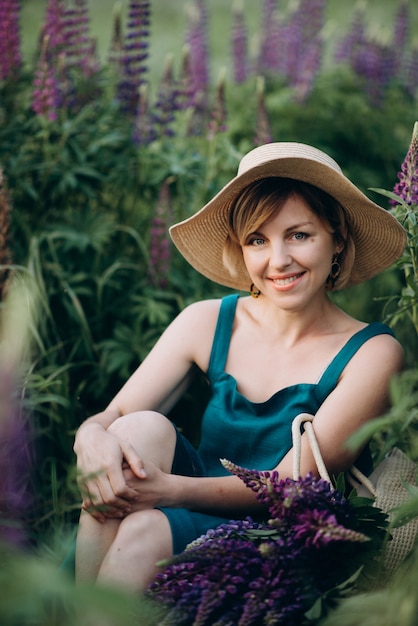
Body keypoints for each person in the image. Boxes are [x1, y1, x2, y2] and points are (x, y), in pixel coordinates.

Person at [73, 142, 406, 593]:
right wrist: (89, 438)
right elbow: (111, 418)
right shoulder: (207, 320)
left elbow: (297, 483)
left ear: (337, 238)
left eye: (299, 235)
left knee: (144, 529)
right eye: (258, 240)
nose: (278, 260)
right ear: (242, 250)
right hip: (187, 500)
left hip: (284, 537)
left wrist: (167, 491)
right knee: (134, 432)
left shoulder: (372, 350)